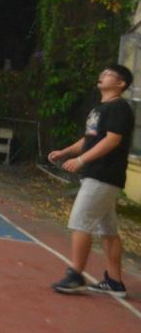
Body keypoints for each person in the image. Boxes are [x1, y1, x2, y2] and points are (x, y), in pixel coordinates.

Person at [49, 64, 135, 298]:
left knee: (80, 222)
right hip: (98, 174)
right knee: (108, 230)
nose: (102, 76)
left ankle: (76, 276)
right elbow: (90, 139)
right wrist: (66, 152)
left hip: (104, 174)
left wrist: (81, 160)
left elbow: (112, 140)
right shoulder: (100, 109)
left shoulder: (119, 108)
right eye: (103, 73)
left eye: (108, 75)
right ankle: (115, 282)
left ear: (120, 84)